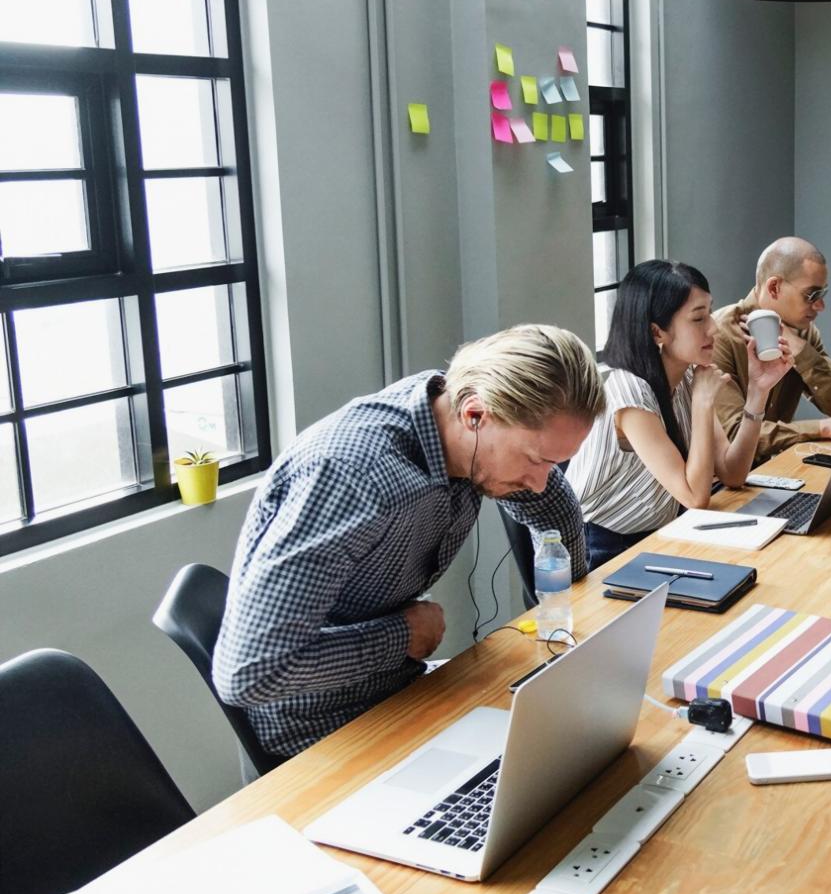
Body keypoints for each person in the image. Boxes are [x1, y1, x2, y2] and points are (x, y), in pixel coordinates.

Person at [213, 325, 605, 760]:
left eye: (555, 462)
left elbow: (553, 506)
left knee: (577, 749)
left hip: (403, 688)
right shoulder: (350, 477)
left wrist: (571, 600)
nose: (538, 483)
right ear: (475, 416)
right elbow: (250, 673)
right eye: (534, 460)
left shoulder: (451, 412)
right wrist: (402, 636)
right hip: (324, 733)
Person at [566, 260, 795, 570]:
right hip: (604, 548)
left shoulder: (689, 377)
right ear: (656, 332)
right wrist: (702, 403)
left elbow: (732, 472)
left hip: (661, 533)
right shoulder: (628, 392)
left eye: (709, 312)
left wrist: (758, 391)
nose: (713, 327)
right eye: (698, 318)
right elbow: (694, 497)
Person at [710, 237, 831, 461]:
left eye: (822, 295)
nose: (820, 306)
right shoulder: (719, 335)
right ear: (774, 287)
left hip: (770, 469)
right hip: (723, 484)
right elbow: (734, 436)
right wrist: (822, 428)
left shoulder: (802, 332)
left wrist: (801, 351)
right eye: (812, 295)